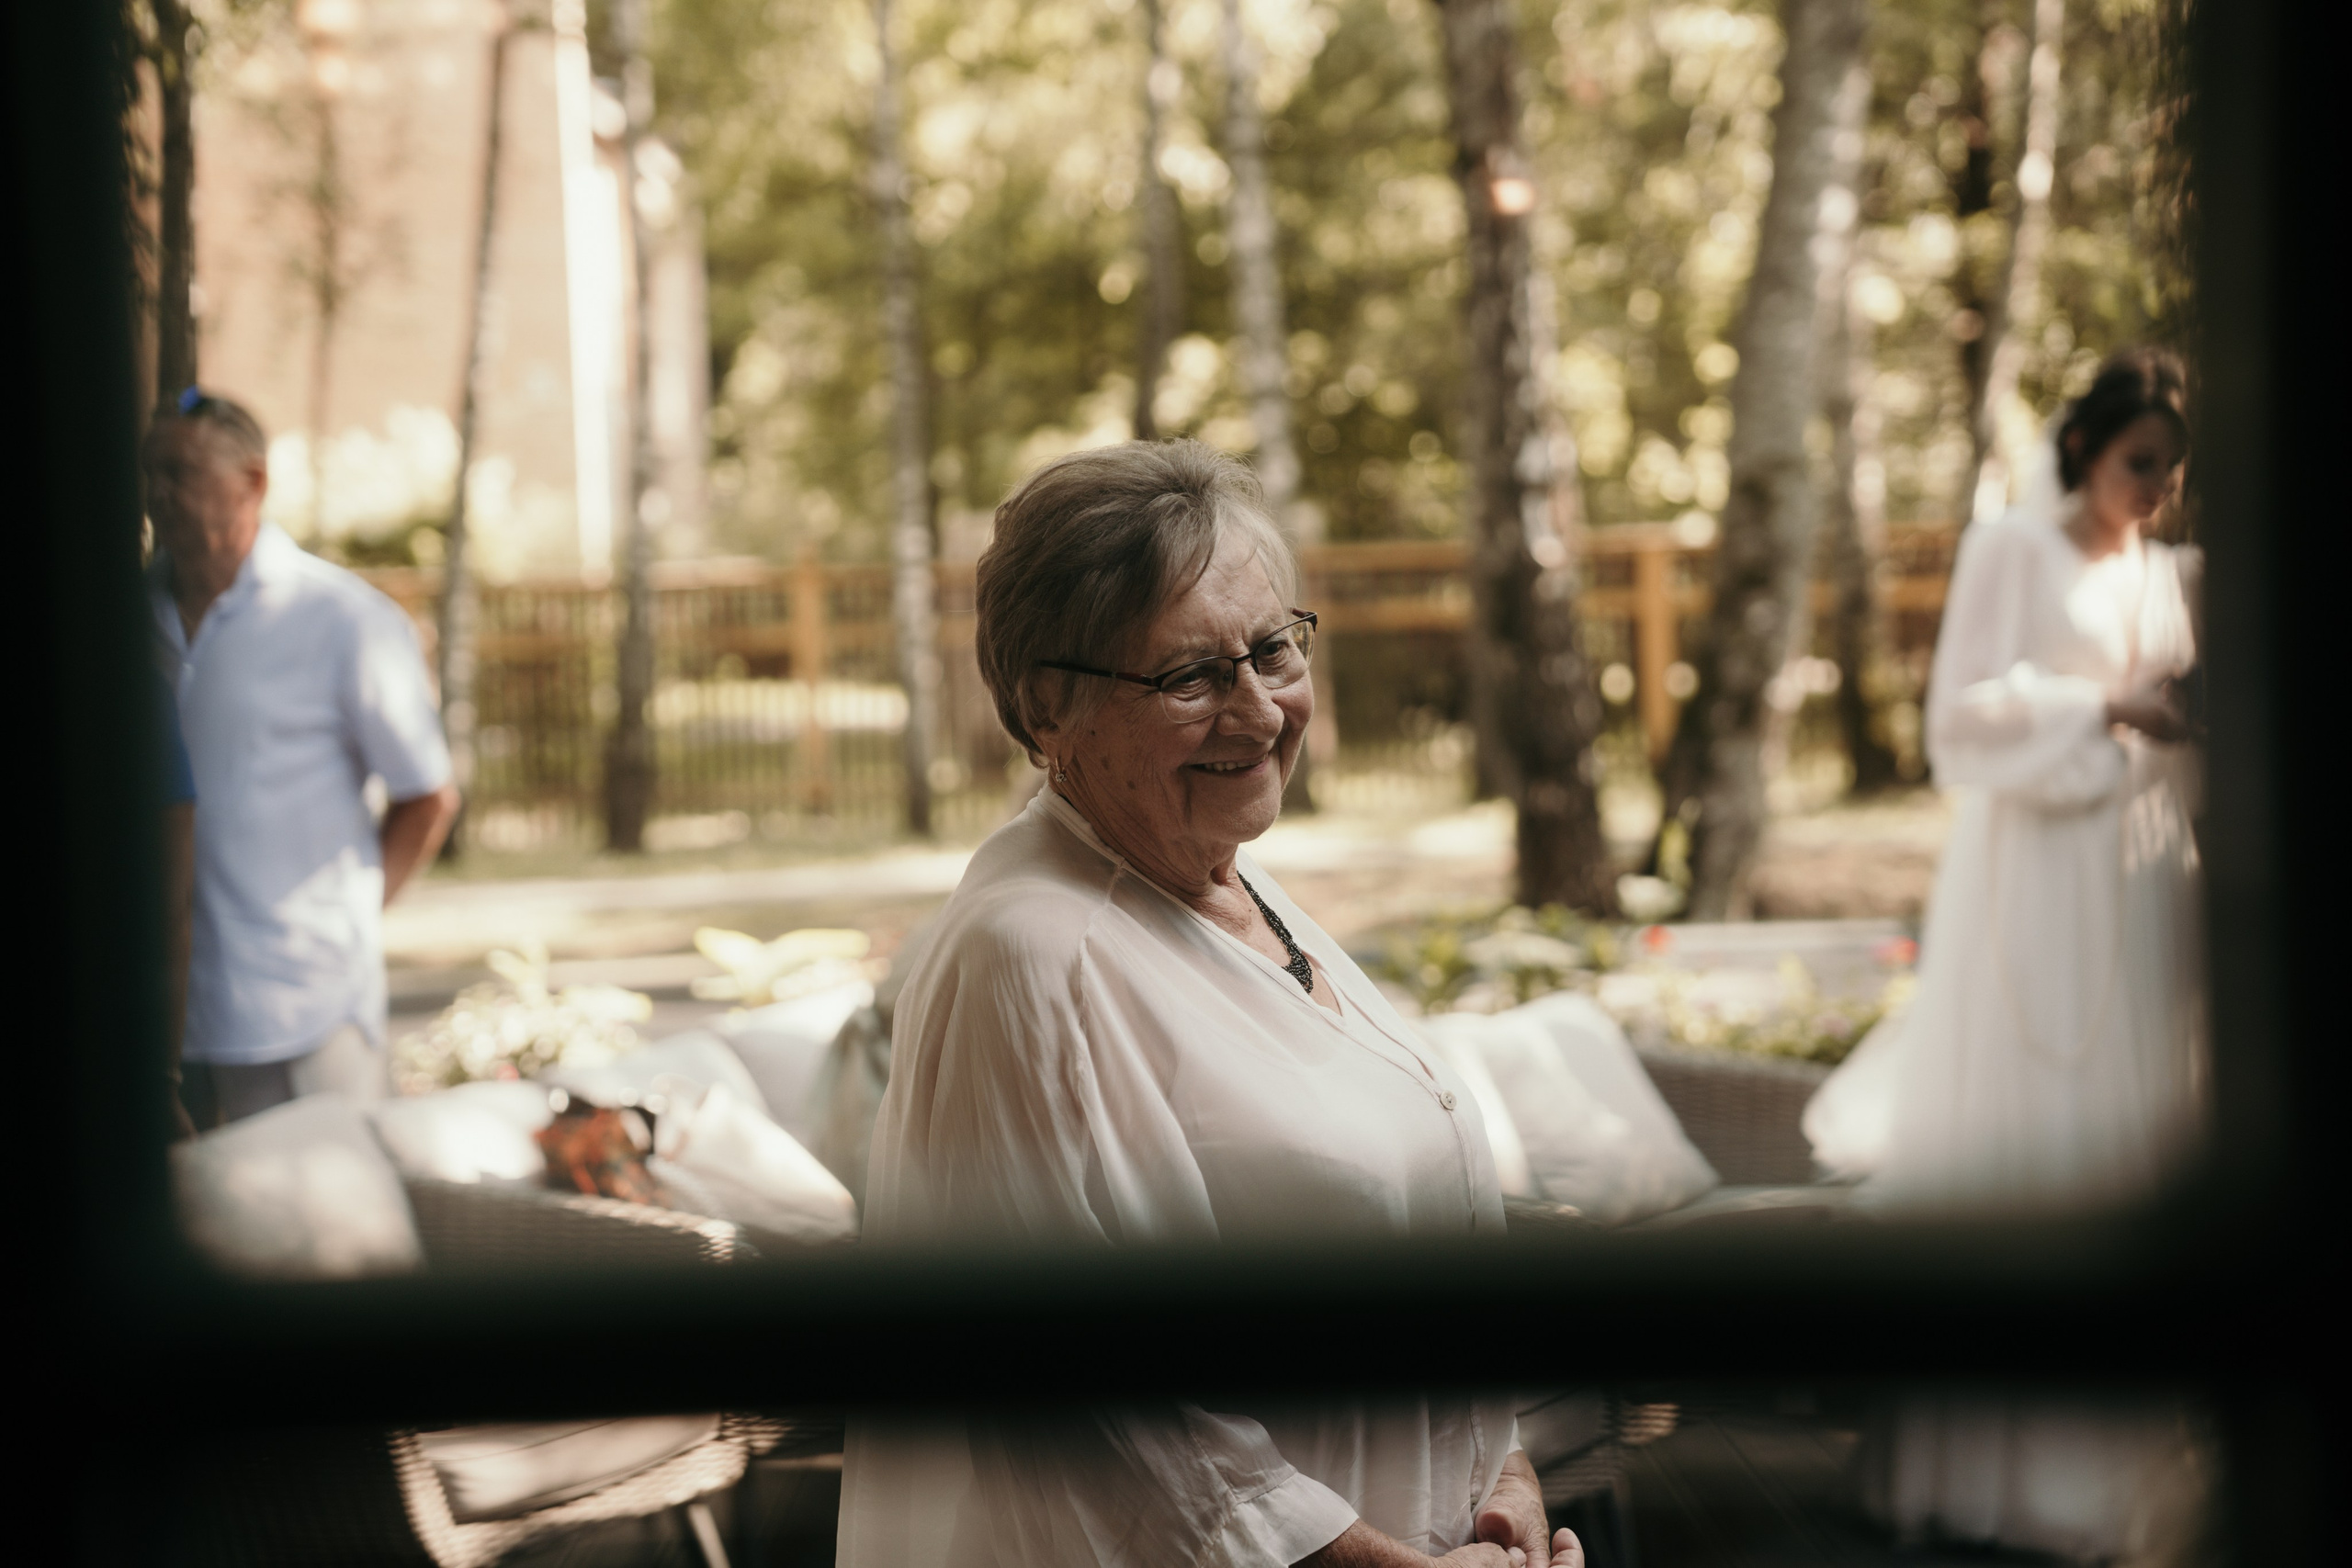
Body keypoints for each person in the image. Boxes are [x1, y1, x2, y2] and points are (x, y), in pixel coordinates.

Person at [837, 441, 1577, 1568]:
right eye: (1187, 677)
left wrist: (1505, 1484)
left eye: (1272, 649)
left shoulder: (1232, 878)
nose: (1258, 712)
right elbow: (1110, 1421)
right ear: (1048, 707)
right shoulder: (1035, 957)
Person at [1802, 349, 2206, 1559]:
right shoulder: (2010, 550)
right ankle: (2019, 1474)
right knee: (2037, 1128)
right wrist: (2102, 708)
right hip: (2034, 872)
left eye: (2171, 469)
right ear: (2085, 446)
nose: (2155, 487)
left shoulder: (2167, 564)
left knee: (2138, 1134)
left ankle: (2142, 1456)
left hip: (2142, 864)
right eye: (2141, 461)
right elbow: (1955, 718)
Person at [145, 389, 459, 1128]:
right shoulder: (124, 619)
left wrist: (350, 918)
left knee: (336, 1233)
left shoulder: (342, 619)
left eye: (180, 473)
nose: (158, 493)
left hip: (308, 1008)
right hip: (166, 1020)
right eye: (150, 472)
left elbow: (427, 794)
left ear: (252, 482)